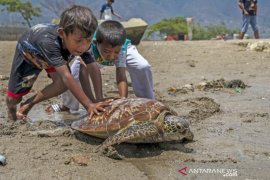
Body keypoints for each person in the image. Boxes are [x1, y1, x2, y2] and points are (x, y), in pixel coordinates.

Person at [6, 5, 111, 122]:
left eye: (88, 41)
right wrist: (88, 105)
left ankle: (28, 104)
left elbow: (93, 68)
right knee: (13, 99)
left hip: (56, 55)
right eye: (78, 41)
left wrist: (98, 99)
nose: (83, 47)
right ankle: (12, 112)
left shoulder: (82, 43)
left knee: (62, 83)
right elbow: (67, 76)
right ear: (62, 33)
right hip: (30, 54)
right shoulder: (49, 42)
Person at [46, 20, 154, 113]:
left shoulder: (120, 49)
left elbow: (121, 74)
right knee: (73, 76)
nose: (111, 56)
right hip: (95, 56)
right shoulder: (89, 47)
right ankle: (67, 104)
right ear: (96, 43)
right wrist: (93, 101)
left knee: (142, 66)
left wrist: (123, 100)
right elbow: (83, 73)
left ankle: (148, 101)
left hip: (122, 48)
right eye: (107, 51)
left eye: (115, 52)